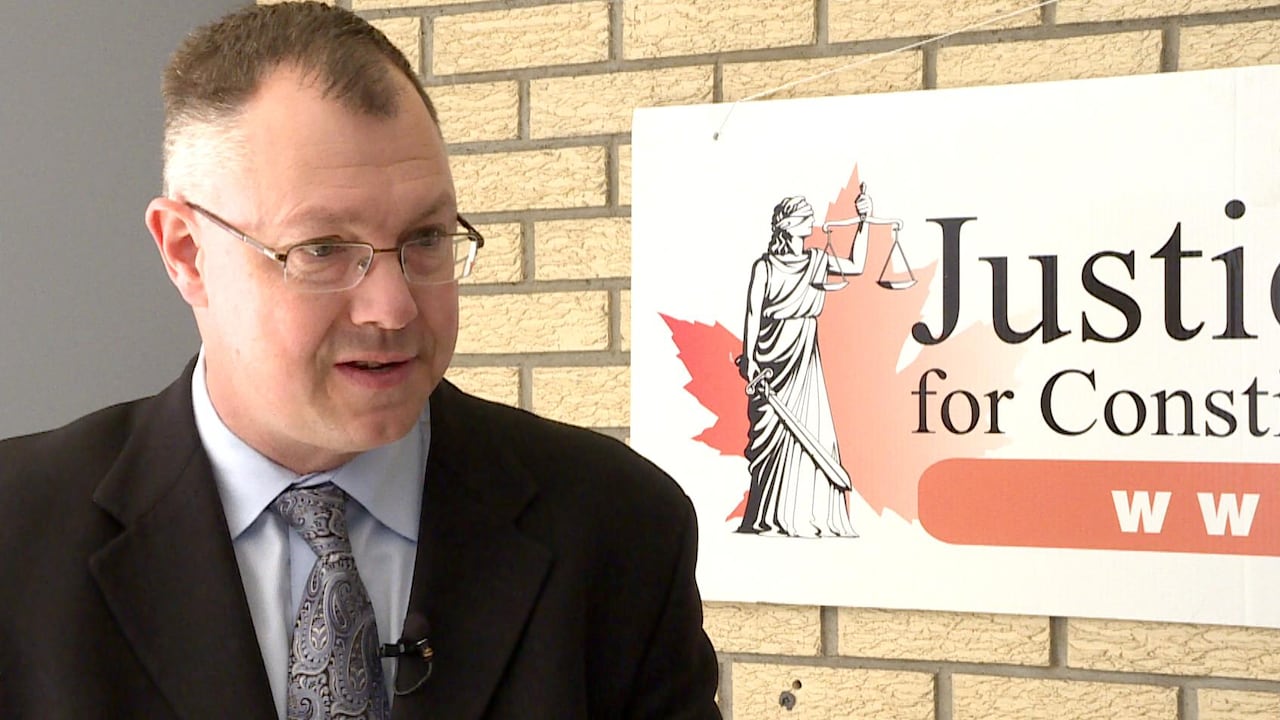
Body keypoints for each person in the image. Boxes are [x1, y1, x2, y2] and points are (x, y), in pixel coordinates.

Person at [0, 4, 719, 718]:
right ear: (187, 254)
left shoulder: (620, 529)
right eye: (321, 249)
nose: (393, 307)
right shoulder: (18, 536)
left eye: (427, 238)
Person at [736, 196, 859, 538]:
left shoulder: (817, 260)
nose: (811, 222)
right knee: (773, 436)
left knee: (812, 426)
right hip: (772, 362)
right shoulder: (765, 268)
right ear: (788, 226)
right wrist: (751, 361)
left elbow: (856, 264)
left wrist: (862, 223)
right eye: (805, 218)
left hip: (805, 355)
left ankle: (810, 511)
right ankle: (771, 515)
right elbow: (752, 314)